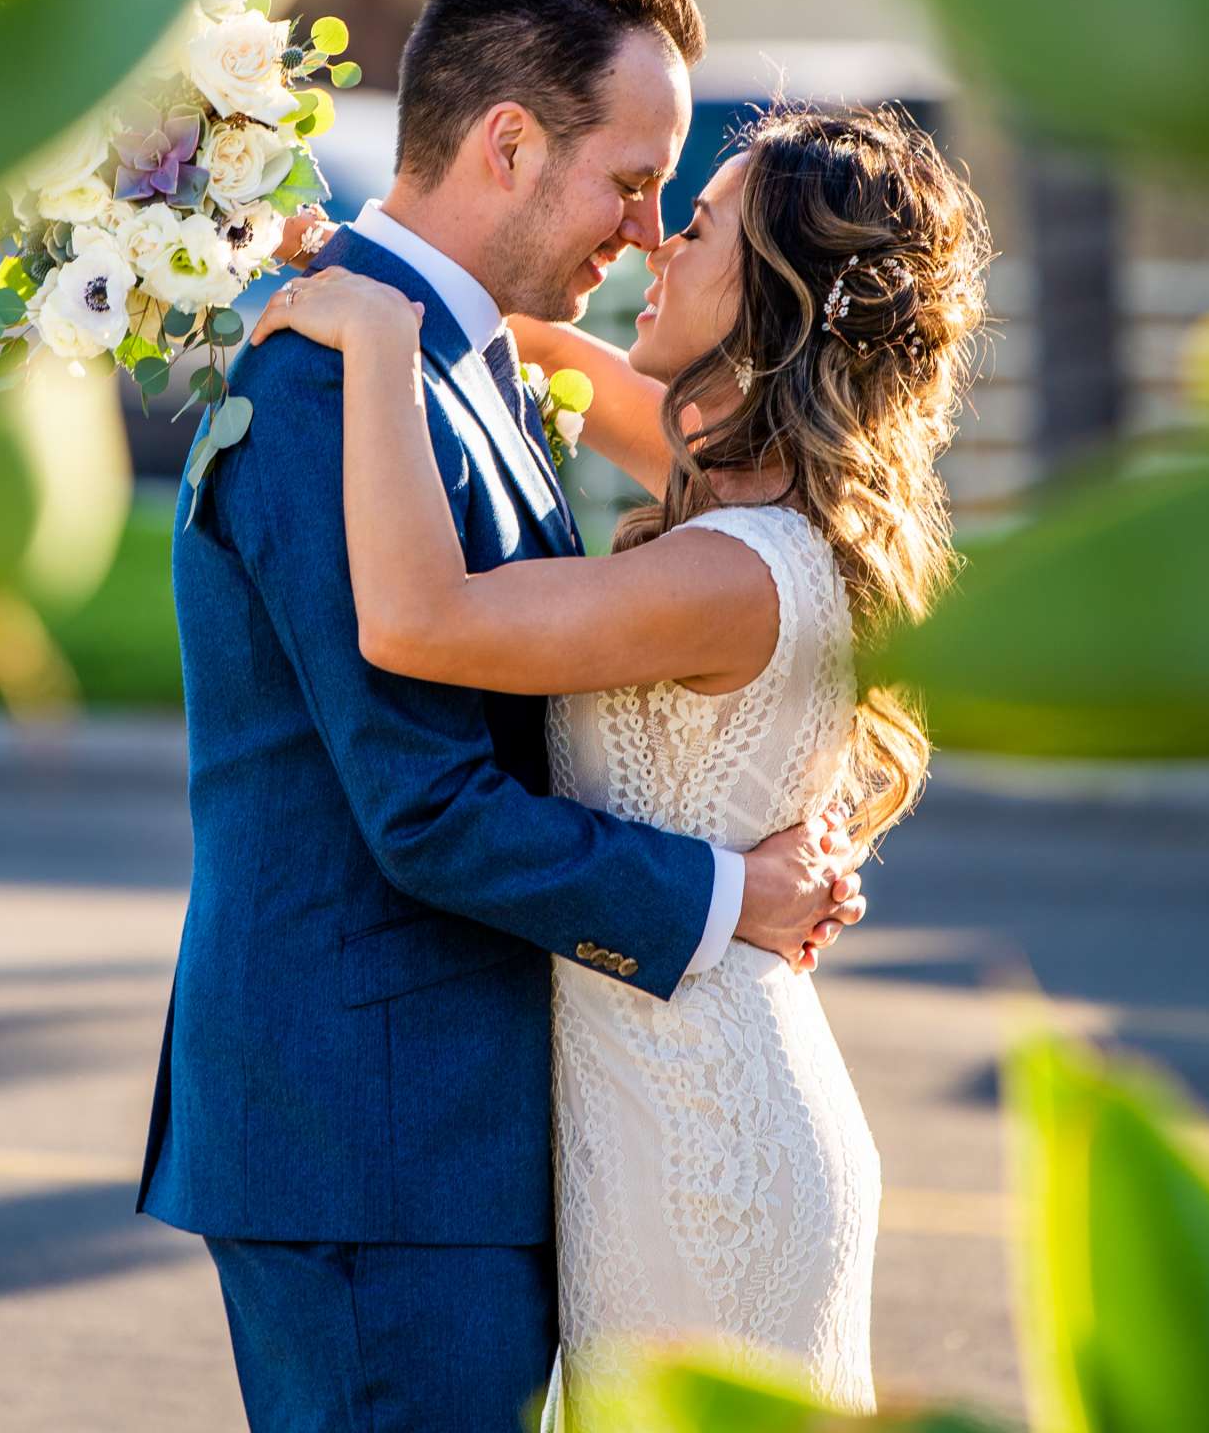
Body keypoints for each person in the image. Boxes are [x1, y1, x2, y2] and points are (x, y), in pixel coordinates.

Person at [136, 0, 869, 1433]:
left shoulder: (443, 356)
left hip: (463, 1137)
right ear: (509, 141)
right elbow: (427, 811)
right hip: (376, 1144)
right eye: (630, 178)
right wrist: (733, 894)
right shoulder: (334, 382)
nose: (647, 227)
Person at [250, 87, 991, 1420]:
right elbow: (519, 337)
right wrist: (321, 242)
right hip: (664, 1089)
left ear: (768, 303)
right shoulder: (762, 488)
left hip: (698, 1136)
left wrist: (367, 339)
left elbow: (422, 621)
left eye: (695, 225)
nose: (657, 239)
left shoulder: (731, 568)